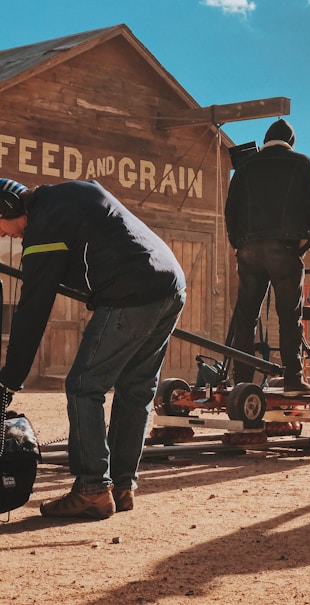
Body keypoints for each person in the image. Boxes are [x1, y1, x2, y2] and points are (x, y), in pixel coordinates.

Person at [0, 178, 186, 519]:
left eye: (0, 226)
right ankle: (121, 485)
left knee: (84, 386)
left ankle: (92, 490)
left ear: (8, 207)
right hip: (170, 283)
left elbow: (33, 309)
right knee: (135, 390)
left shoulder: (44, 226)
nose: (3, 235)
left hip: (132, 291)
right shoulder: (68, 197)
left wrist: (8, 381)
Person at [224, 118, 310, 395]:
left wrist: (238, 243)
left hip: (249, 250)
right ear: (290, 141)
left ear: (265, 139)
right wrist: (304, 242)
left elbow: (231, 209)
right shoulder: (303, 163)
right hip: (285, 249)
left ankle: (242, 379)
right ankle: (293, 379)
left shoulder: (245, 167)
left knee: (246, 316)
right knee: (288, 316)